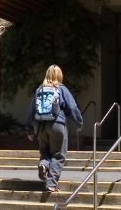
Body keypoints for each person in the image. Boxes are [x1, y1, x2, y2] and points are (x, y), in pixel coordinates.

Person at [26, 64, 84, 193]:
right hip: (57, 124)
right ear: (60, 76)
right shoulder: (61, 89)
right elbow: (72, 107)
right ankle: (51, 184)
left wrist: (29, 130)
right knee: (58, 155)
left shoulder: (39, 90)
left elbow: (31, 111)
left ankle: (43, 165)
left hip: (40, 126)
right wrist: (79, 122)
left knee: (45, 152)